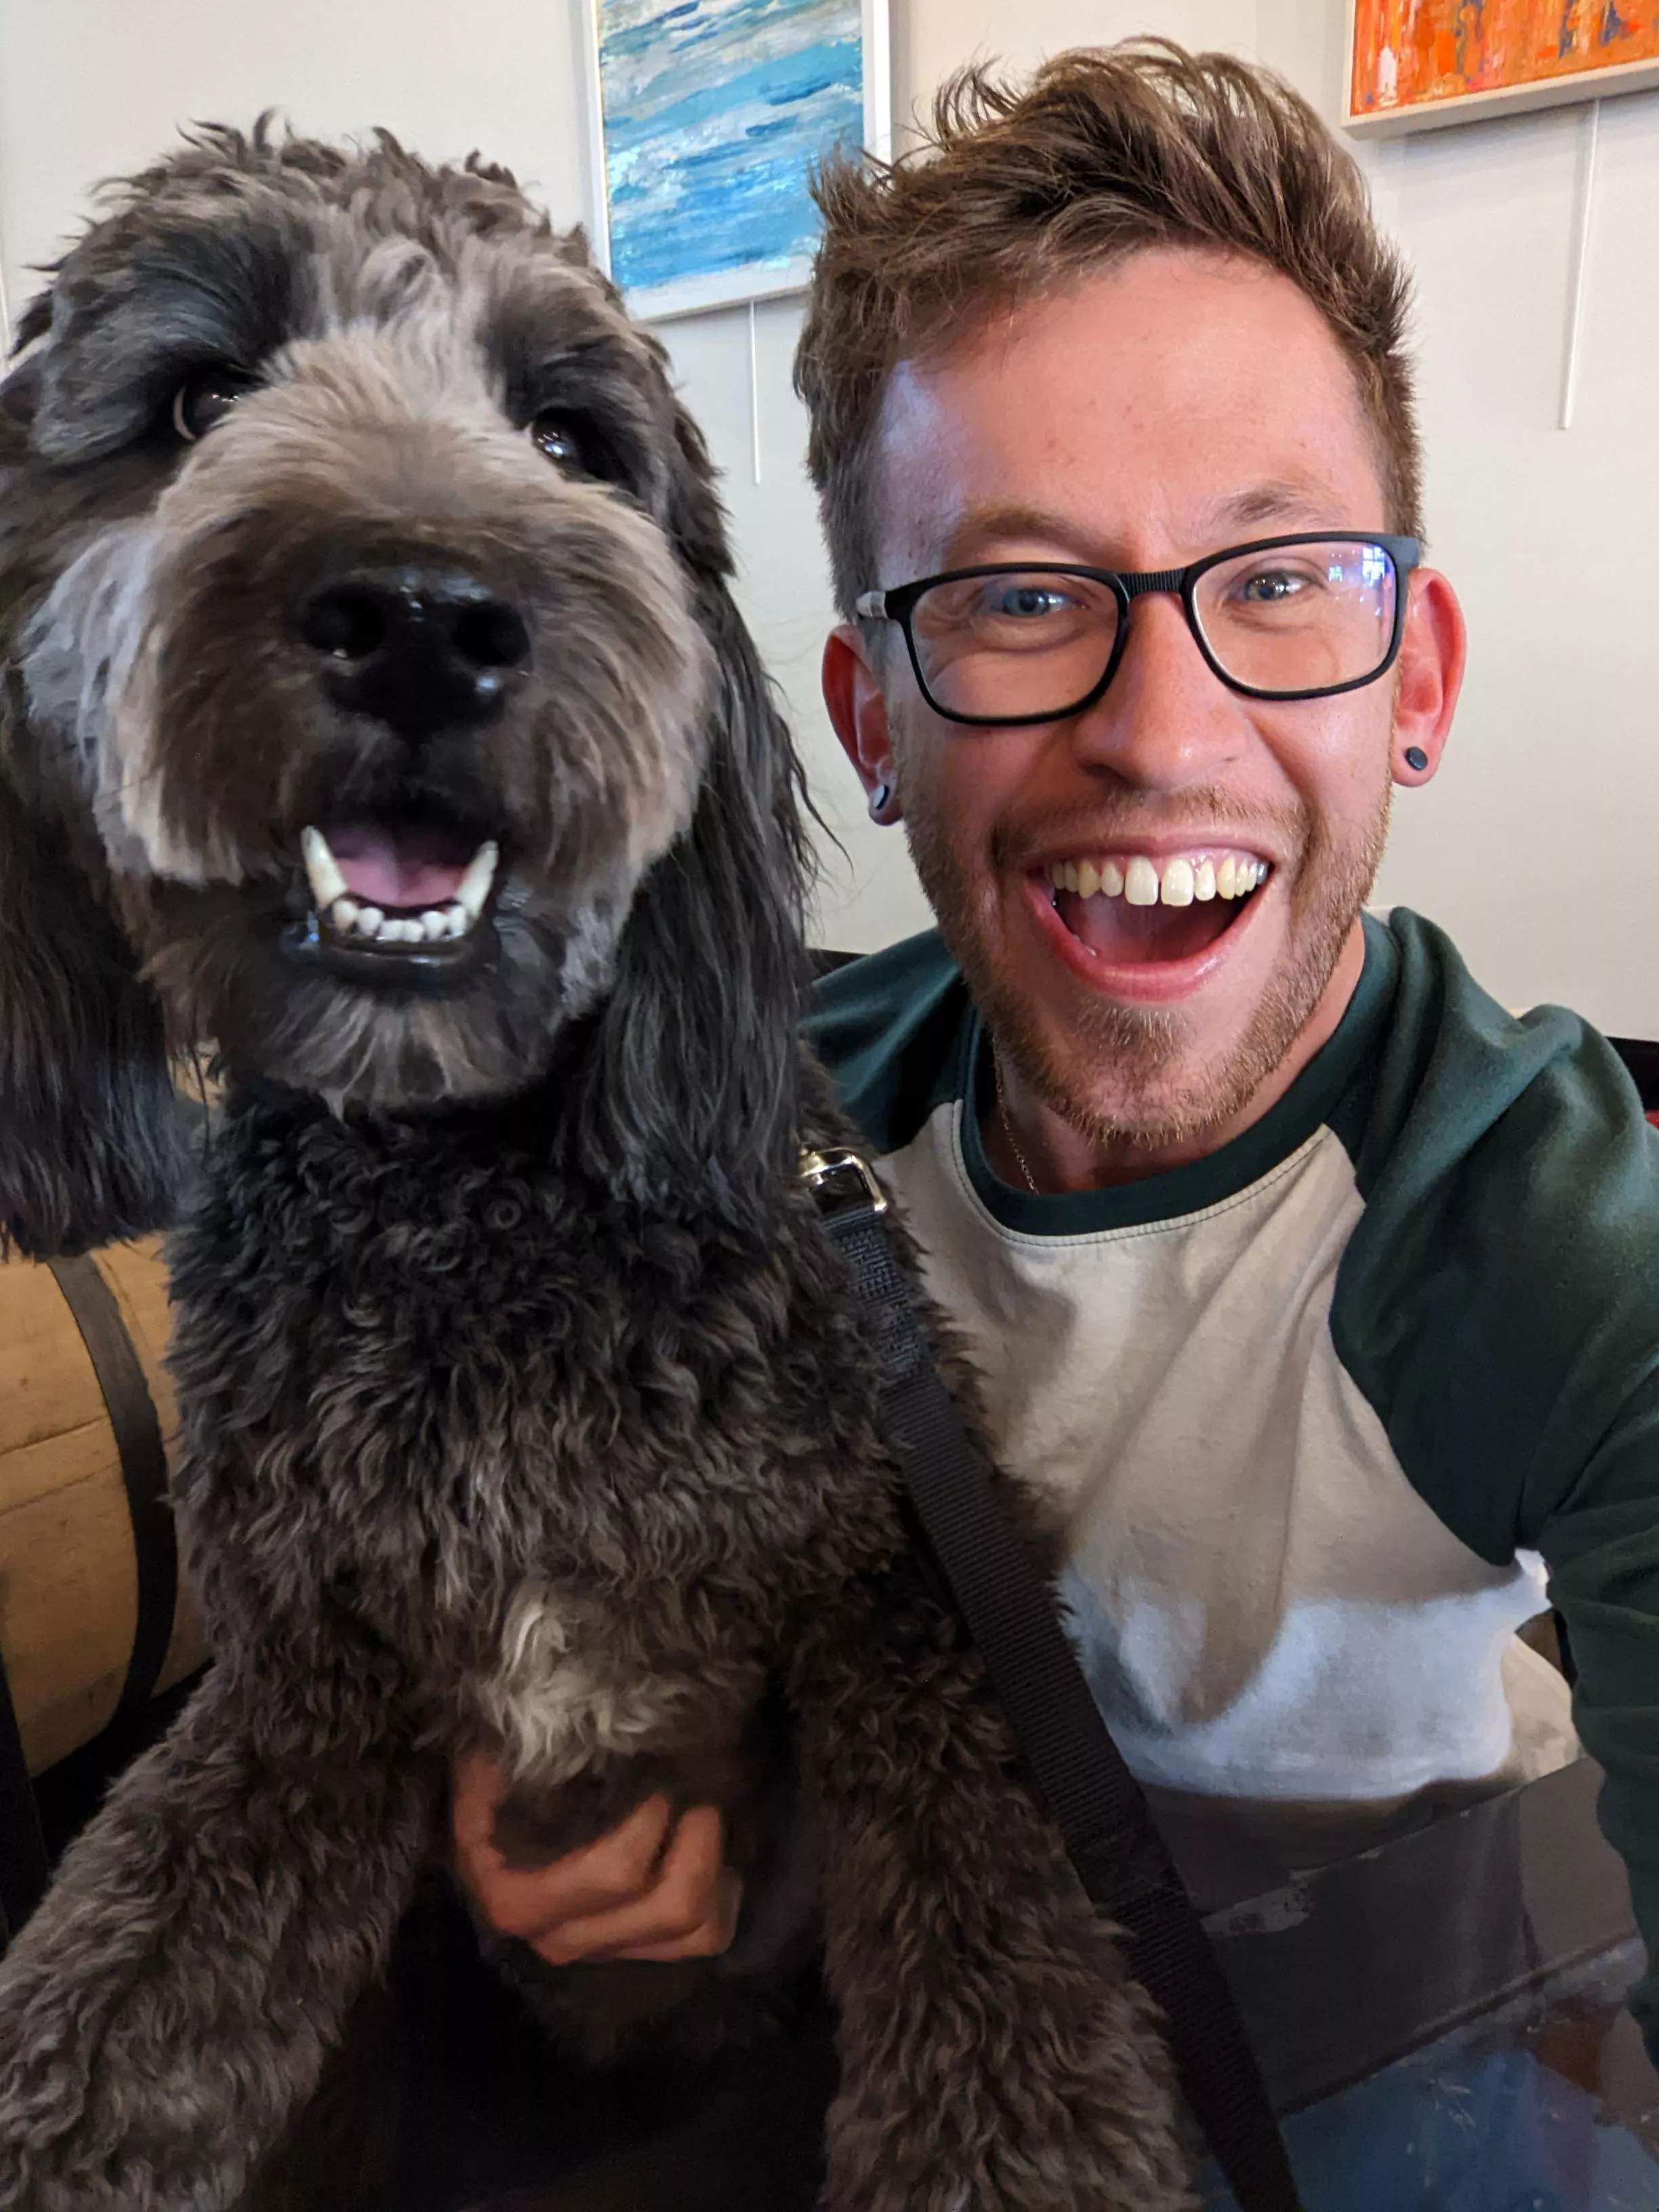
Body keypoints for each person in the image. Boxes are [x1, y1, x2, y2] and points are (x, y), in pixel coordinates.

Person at [452, 35, 1659, 2091]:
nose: (1162, 732)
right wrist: (551, 1742)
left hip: (1436, 2059)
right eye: (1021, 599)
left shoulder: (1534, 1247)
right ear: (871, 714)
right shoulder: (753, 1129)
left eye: (1277, 584)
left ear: (1417, 682)